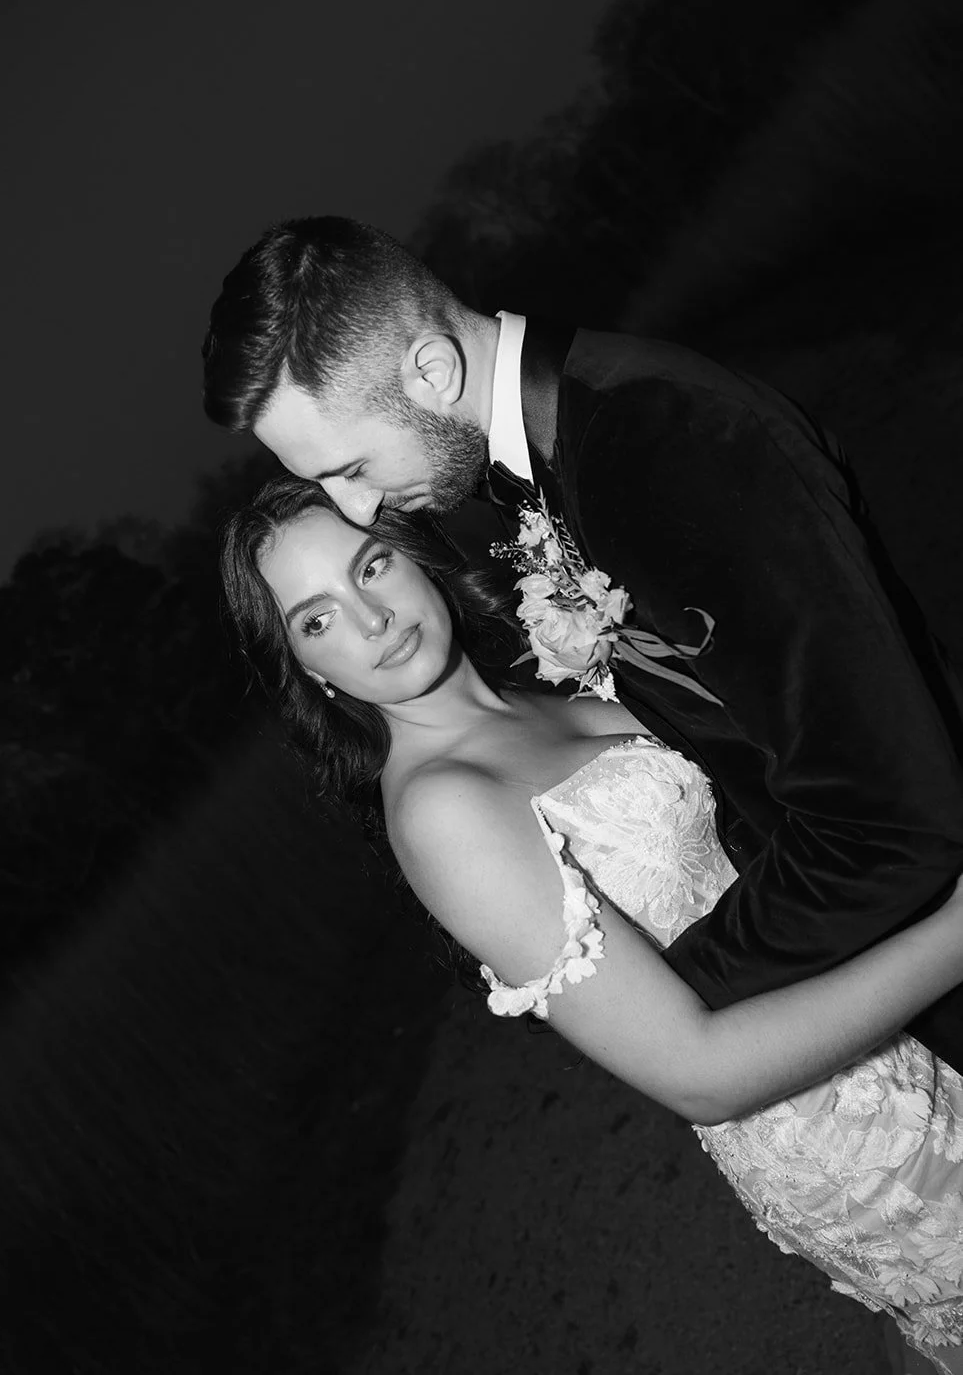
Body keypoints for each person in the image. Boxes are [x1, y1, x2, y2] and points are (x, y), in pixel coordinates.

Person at [220, 474, 963, 1370]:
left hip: (891, 1015)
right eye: (317, 617)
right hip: (834, 1124)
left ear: (413, 557)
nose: (371, 618)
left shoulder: (546, 685)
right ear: (308, 668)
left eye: (370, 565)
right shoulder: (441, 810)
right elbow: (700, 1077)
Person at [201, 215, 963, 1083]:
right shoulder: (553, 457)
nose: (360, 507)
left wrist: (665, 1003)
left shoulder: (659, 442)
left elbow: (883, 813)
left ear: (430, 369)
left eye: (350, 468)